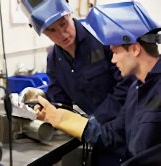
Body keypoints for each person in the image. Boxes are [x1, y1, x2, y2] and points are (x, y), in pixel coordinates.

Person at [34, 1, 161, 165]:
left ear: (135, 49)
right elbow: (113, 134)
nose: (113, 59)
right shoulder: (136, 89)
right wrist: (58, 116)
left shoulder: (98, 39)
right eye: (52, 30)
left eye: (115, 52)